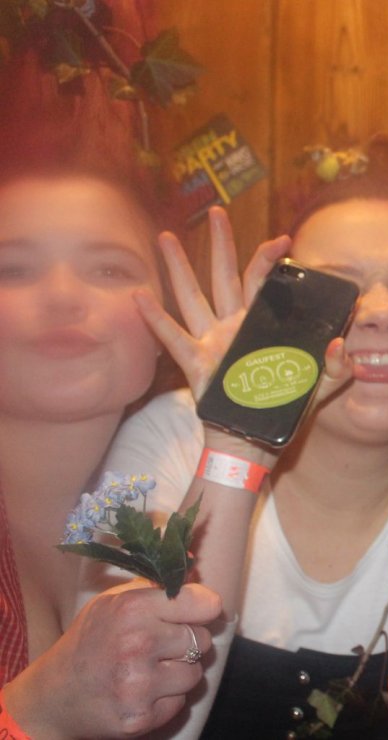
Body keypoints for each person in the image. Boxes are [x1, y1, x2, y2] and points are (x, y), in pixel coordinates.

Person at [85, 154, 388, 738]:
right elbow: (128, 720)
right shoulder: (170, 437)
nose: (380, 312)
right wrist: (238, 444)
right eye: (337, 287)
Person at [0, 160, 223, 738]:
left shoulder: (181, 487)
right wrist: (39, 709)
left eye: (107, 268)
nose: (62, 295)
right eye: (12, 269)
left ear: (168, 324)